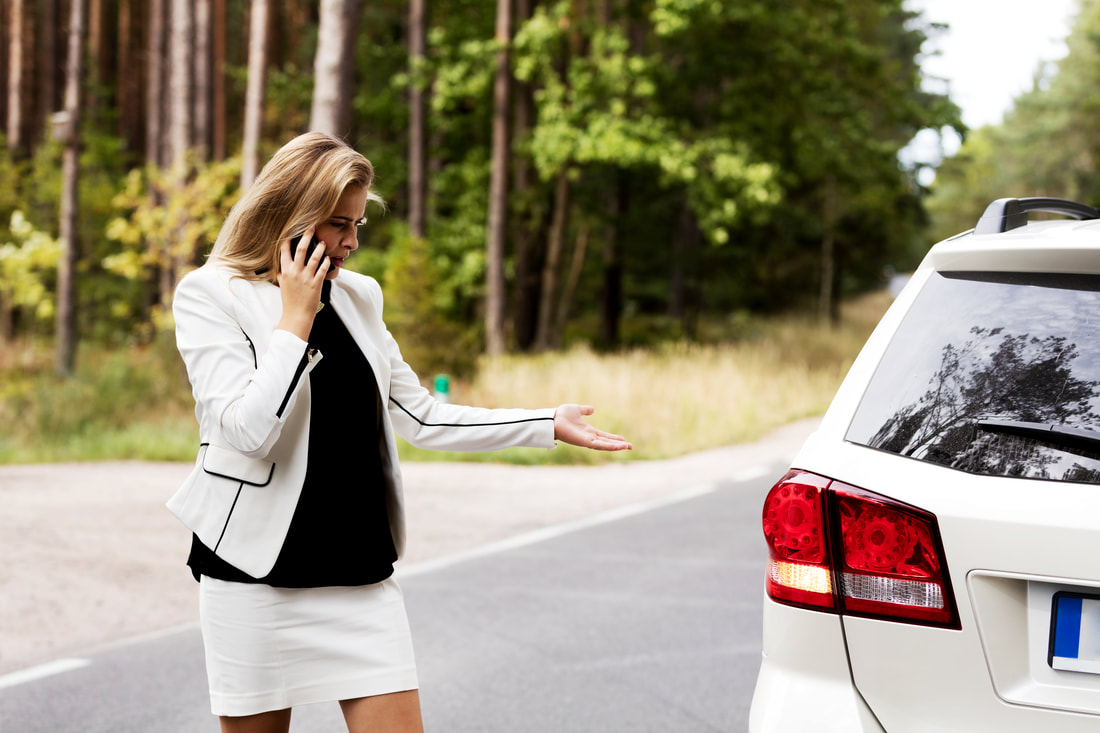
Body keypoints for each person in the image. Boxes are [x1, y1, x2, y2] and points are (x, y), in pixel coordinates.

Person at [167, 131, 633, 733]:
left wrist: (546, 422)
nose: (351, 243)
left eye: (357, 224)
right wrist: (296, 318)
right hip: (253, 580)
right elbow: (247, 432)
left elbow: (422, 416)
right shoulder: (210, 296)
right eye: (339, 223)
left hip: (360, 576)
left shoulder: (360, 297)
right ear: (291, 214)